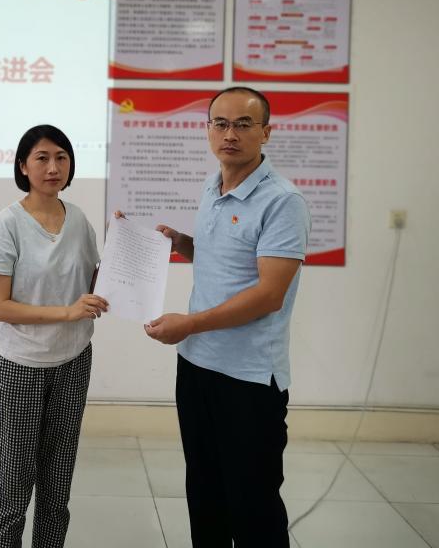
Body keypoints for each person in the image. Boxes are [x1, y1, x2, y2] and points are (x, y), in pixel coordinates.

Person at [143, 87, 310, 548]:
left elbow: (268, 295)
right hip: (196, 365)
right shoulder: (212, 184)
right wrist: (183, 244)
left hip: (248, 378)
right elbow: (228, 259)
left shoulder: (283, 202)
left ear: (266, 133)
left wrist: (189, 324)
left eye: (243, 124)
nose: (229, 134)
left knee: (253, 506)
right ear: (208, 130)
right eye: (220, 123)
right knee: (204, 493)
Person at [0, 124, 109, 548]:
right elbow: (0, 306)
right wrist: (67, 312)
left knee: (57, 489)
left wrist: (126, 249)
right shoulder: (7, 224)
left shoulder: (79, 220)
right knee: (14, 489)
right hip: (20, 367)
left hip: (73, 362)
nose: (54, 167)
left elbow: (93, 284)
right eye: (43, 158)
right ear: (23, 166)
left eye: (62, 158)